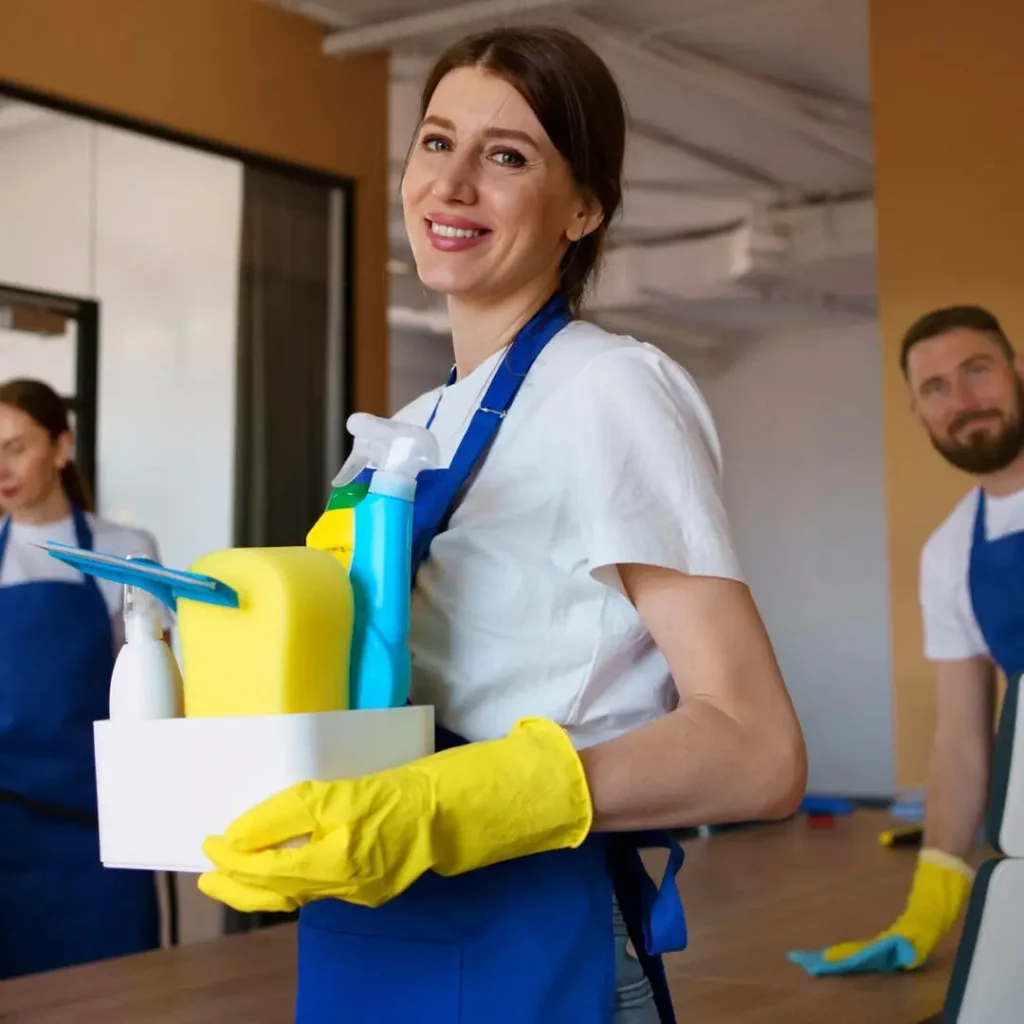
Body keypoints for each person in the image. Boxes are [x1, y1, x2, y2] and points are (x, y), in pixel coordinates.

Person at [198, 26, 807, 1024]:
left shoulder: (609, 389)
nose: (452, 184)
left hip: (531, 925)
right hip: (374, 927)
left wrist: (453, 805)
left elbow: (757, 748)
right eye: (436, 143)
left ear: (583, 207)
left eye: (507, 156)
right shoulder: (399, 437)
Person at [793, 304, 1023, 977]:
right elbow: (960, 740)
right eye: (936, 388)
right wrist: (928, 907)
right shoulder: (951, 554)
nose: (963, 400)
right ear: (918, 415)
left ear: (1016, 372)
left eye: (977, 371)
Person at [0, 377, 164, 979]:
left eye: (16, 446)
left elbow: (153, 685)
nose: (1, 466)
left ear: (62, 447)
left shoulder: (125, 550)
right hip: (6, 828)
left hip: (101, 830)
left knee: (114, 990)